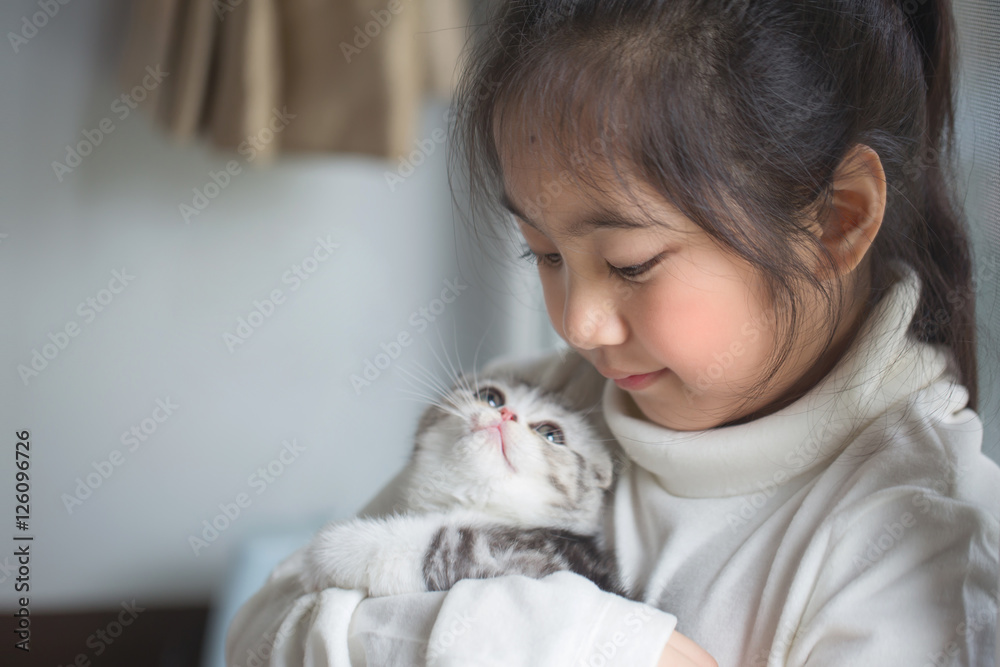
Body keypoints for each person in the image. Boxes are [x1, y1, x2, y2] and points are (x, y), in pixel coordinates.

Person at [226, 0, 1000, 664]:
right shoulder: (550, 404)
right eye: (546, 254)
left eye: (631, 263)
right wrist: (575, 640)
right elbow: (262, 633)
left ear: (836, 219)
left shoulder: (921, 544)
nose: (578, 323)